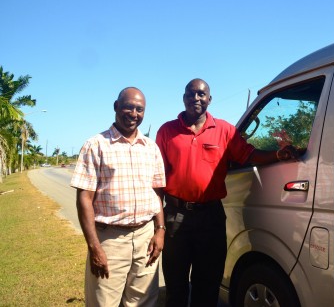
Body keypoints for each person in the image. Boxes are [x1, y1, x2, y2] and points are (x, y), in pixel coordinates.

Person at [155, 78, 297, 307]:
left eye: (201, 94)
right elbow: (157, 180)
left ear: (209, 99)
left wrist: (278, 155)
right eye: (191, 94)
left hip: (210, 217)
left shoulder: (225, 130)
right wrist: (159, 225)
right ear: (183, 98)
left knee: (207, 284)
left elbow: (249, 155)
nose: (196, 99)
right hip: (175, 215)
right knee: (176, 285)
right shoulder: (166, 131)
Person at [71, 87, 166, 307]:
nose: (134, 113)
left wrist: (160, 231)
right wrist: (95, 247)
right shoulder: (96, 145)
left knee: (143, 302)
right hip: (110, 240)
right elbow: (84, 199)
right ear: (116, 107)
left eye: (139, 109)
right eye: (128, 107)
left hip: (145, 238)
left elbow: (156, 193)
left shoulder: (151, 148)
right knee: (103, 302)